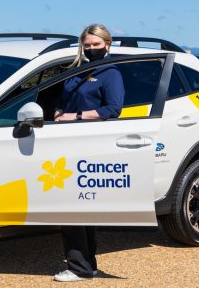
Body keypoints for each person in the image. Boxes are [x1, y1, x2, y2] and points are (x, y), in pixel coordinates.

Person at [53, 24, 124, 282]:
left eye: (96, 44)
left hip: (91, 144)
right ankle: (87, 265)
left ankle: (79, 268)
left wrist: (76, 116)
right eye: (88, 45)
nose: (91, 49)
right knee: (79, 208)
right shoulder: (77, 70)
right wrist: (59, 112)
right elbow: (63, 98)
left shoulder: (110, 73)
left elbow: (113, 109)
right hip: (67, 142)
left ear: (107, 44)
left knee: (74, 207)